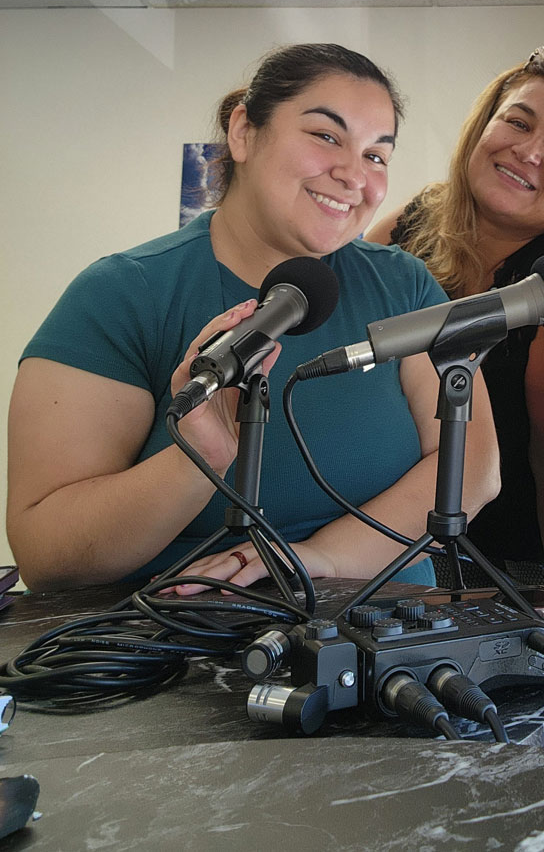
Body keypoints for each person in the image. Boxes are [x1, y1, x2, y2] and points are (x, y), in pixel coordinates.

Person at [7, 43, 499, 594]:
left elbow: (473, 468)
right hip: (177, 641)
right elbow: (47, 555)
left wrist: (318, 559)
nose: (352, 174)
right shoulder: (124, 293)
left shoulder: (403, 285)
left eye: (376, 155)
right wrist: (198, 461)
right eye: (325, 136)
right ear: (243, 131)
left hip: (382, 630)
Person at [366, 47, 544, 578]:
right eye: (516, 122)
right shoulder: (405, 226)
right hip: (367, 532)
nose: (527, 150)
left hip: (490, 567)